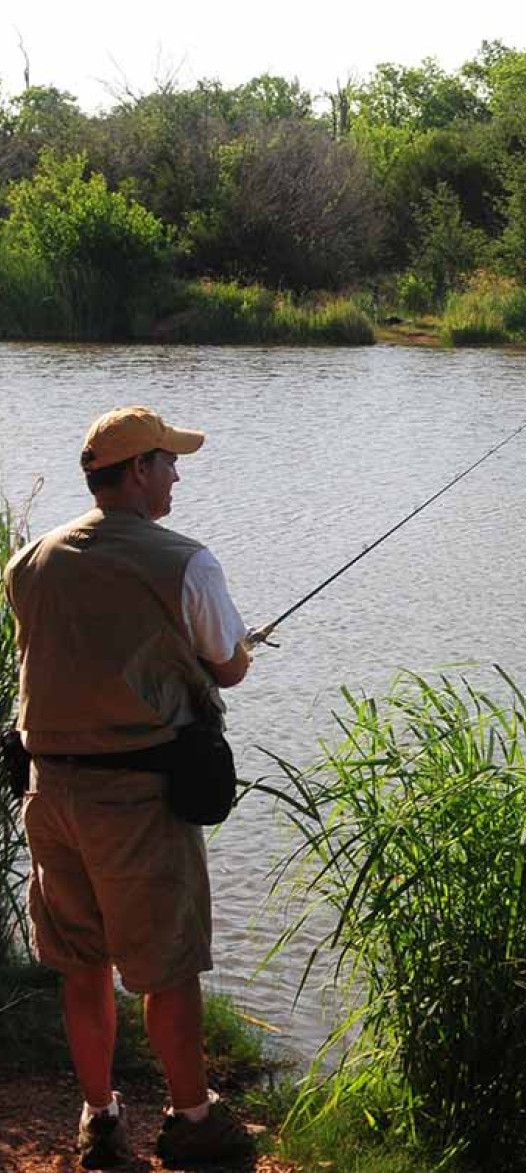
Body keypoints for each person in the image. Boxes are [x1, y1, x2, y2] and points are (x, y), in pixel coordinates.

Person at [3, 406, 258, 1169]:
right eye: (168, 460)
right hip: (139, 801)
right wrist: (234, 652)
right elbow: (230, 665)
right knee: (168, 967)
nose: (177, 473)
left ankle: (100, 1120)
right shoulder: (184, 561)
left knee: (82, 963)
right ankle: (192, 1120)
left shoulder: (29, 561)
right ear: (137, 470)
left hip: (48, 792)